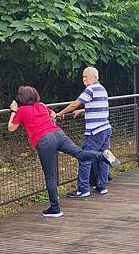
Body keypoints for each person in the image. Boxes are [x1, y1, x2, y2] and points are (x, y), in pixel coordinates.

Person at [7, 86, 121, 217]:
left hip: (45, 141)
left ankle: (55, 209)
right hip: (58, 134)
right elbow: (53, 115)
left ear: (21, 98)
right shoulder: (42, 105)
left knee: (50, 176)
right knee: (80, 153)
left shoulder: (22, 110)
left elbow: (11, 128)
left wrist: (13, 111)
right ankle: (103, 156)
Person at [56, 67, 114, 197]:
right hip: (105, 128)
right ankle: (101, 186)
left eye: (86, 77)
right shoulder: (102, 89)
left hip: (94, 132)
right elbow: (98, 106)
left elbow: (75, 104)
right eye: (83, 77)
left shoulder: (90, 89)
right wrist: (82, 111)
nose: (84, 79)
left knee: (84, 158)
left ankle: (83, 189)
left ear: (94, 77)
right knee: (103, 157)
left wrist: (60, 113)